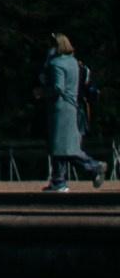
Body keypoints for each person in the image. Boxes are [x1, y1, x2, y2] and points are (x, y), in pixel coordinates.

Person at [42, 33, 100, 193]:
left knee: (60, 146)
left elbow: (58, 88)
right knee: (64, 146)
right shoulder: (73, 62)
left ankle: (91, 167)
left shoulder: (56, 64)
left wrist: (43, 93)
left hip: (60, 108)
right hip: (73, 107)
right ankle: (59, 180)